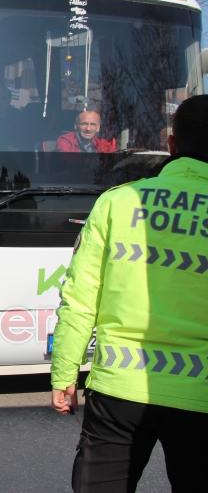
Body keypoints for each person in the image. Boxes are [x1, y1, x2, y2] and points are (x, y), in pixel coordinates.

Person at [50, 95, 208, 491]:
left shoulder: (117, 202)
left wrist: (65, 372)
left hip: (119, 389)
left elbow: (80, 298)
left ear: (172, 144)